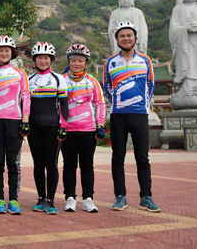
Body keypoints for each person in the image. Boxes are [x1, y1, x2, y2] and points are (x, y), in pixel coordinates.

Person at [103, 21, 160, 213]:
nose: (126, 38)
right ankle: (120, 196)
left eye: (129, 35)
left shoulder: (144, 60)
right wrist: (117, 102)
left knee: (142, 157)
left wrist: (141, 103)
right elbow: (107, 86)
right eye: (122, 36)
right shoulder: (111, 62)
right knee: (117, 157)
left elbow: (151, 84)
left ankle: (146, 197)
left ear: (135, 38)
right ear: (117, 39)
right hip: (118, 115)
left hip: (139, 114)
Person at [0, 35, 31, 215]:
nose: (4, 53)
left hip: (14, 121)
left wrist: (25, 122)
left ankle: (14, 200)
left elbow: (26, 97)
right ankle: (0, 199)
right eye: (0, 50)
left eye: (7, 50)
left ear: (12, 53)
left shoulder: (20, 73)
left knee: (13, 163)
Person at [61, 44, 105, 213]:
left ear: (86, 63)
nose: (77, 64)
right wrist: (60, 126)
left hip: (88, 130)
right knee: (69, 166)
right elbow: (57, 105)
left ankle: (88, 199)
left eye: (80, 61)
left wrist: (100, 125)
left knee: (87, 166)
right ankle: (70, 198)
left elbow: (100, 103)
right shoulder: (62, 80)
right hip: (68, 131)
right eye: (73, 60)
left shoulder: (92, 81)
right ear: (68, 62)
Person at [27, 42, 68, 214]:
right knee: (38, 164)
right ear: (34, 60)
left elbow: (64, 105)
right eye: (39, 58)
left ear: (51, 59)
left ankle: (50, 200)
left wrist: (63, 127)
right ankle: (40, 198)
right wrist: (24, 124)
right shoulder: (29, 80)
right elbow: (24, 104)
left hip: (52, 127)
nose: (43, 61)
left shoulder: (59, 79)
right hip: (34, 128)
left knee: (51, 164)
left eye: (46, 58)